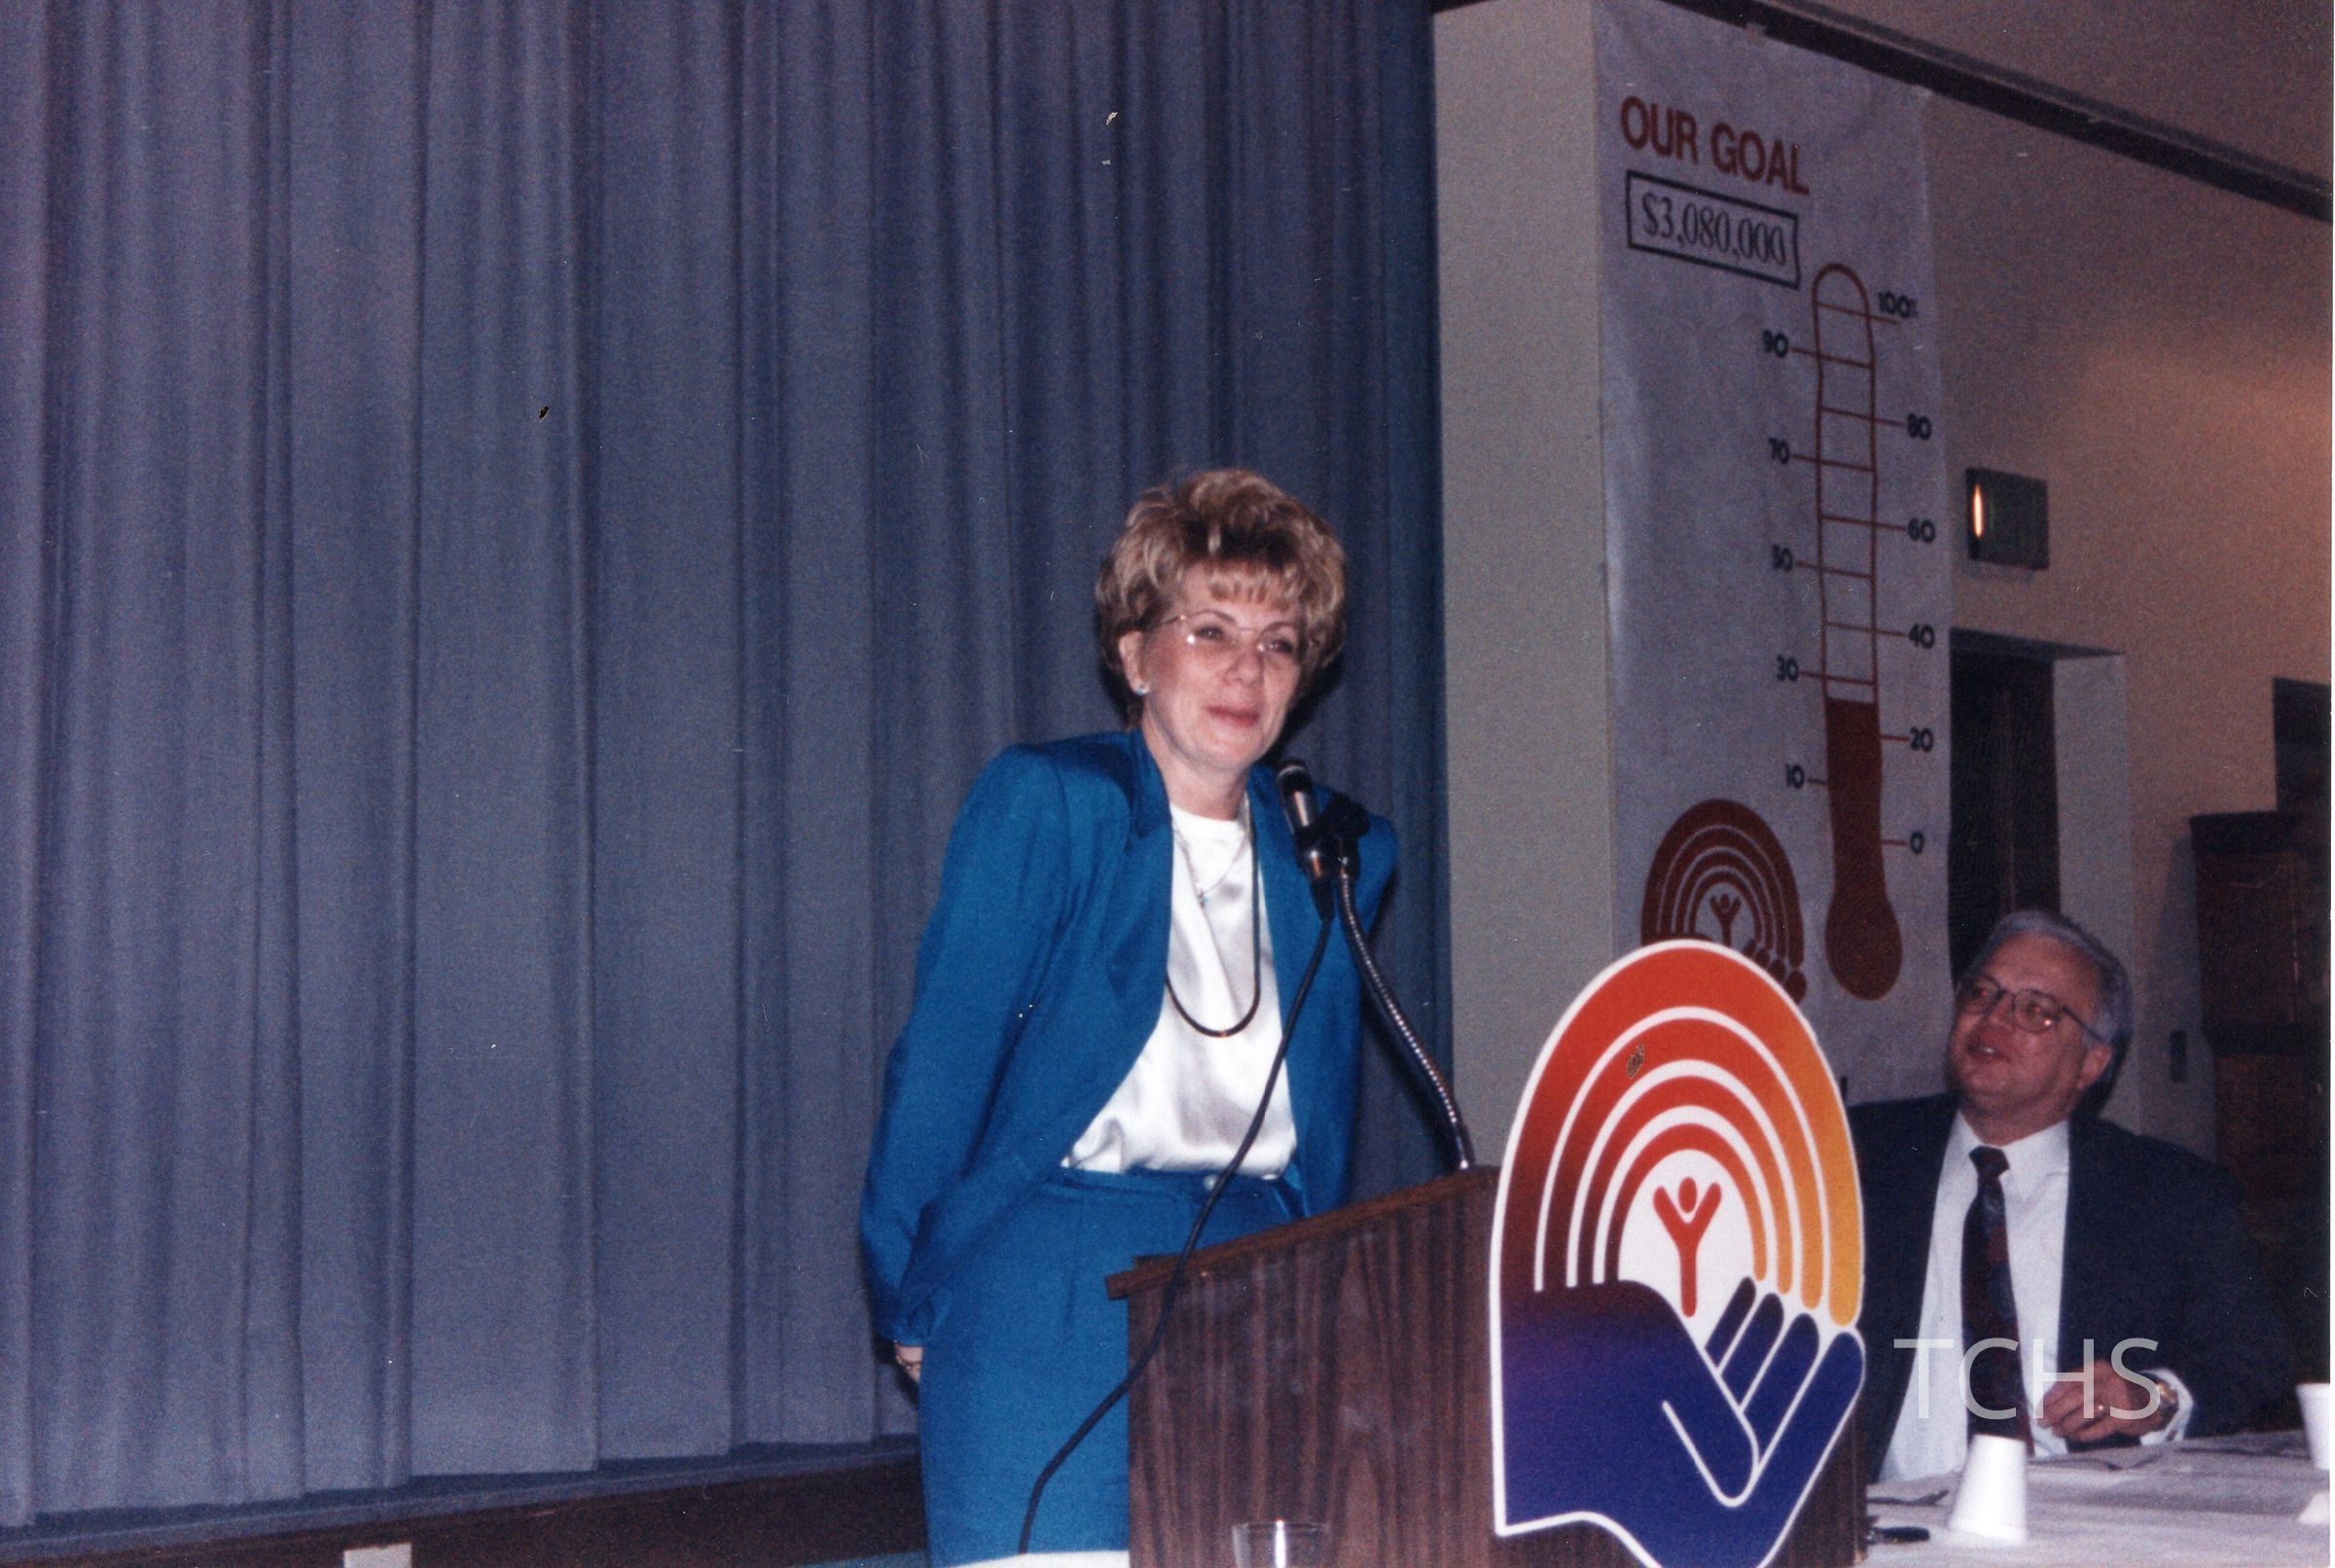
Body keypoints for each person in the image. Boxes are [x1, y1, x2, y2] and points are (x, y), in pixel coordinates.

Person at [859, 469, 1395, 1564]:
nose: (1247, 668)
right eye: (1211, 630)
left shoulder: (1337, 851)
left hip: (1253, 1301)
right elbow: (944, 1069)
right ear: (1136, 654)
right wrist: (911, 1291)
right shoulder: (1052, 805)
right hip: (1049, 1292)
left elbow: (1326, 1116)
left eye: (1280, 642)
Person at [1851, 909, 2291, 1481]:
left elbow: (2255, 1358)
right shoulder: (1855, 1155)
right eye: (1982, 993)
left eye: (2035, 1009)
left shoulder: (2174, 1195)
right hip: (1889, 1515)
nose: (1994, 1017)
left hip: (2088, 1515)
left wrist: (2153, 1397)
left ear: (2090, 1063)